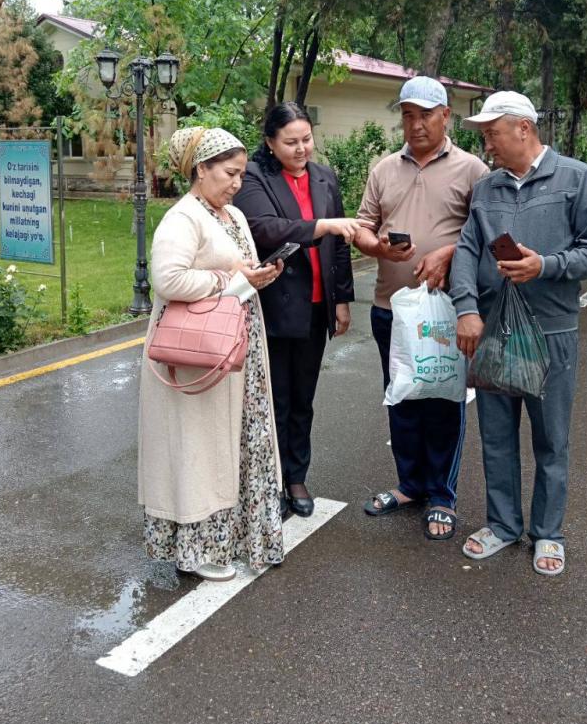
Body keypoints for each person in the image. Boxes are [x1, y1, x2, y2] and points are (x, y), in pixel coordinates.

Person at [450, 91, 587, 576]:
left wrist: (545, 265)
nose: (488, 145)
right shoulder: (487, 189)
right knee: (497, 435)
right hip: (494, 330)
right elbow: (466, 251)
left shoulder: (575, 178)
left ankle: (548, 532)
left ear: (523, 128)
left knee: (551, 438)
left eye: (493, 134)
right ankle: (503, 525)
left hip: (551, 330)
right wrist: (466, 309)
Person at [138, 126, 285, 582]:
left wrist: (257, 275)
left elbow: (237, 269)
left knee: (238, 439)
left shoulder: (232, 216)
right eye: (229, 173)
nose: (237, 183)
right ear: (201, 170)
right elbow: (168, 280)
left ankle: (239, 537)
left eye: (242, 174)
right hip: (198, 349)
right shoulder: (183, 218)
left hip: (236, 342)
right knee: (200, 447)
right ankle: (195, 549)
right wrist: (231, 281)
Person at [354, 76, 489, 540]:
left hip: (446, 311)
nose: (415, 126)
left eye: (425, 116)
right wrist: (378, 248)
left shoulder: (472, 170)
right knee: (402, 396)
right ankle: (410, 484)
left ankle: (442, 495)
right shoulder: (383, 169)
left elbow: (485, 235)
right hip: (390, 308)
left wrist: (449, 253)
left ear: (445, 116)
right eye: (407, 116)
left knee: (443, 399)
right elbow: (363, 227)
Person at [234, 103, 358, 518]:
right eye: (291, 142)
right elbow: (264, 227)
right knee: (275, 398)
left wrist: (341, 299)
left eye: (307, 139)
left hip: (317, 305)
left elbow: (339, 246)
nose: (302, 148)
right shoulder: (255, 176)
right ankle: (267, 480)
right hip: (277, 303)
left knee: (304, 397)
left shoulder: (324, 177)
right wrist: (322, 227)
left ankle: (296, 476)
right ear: (270, 142)